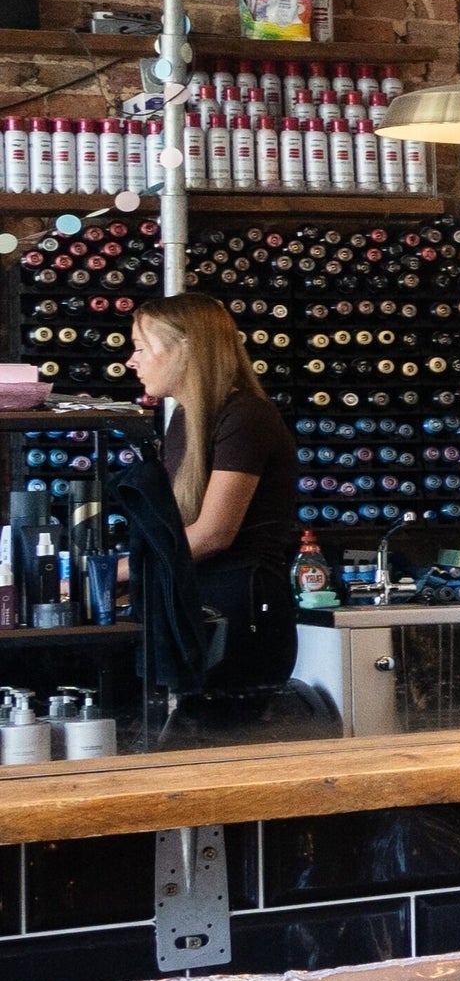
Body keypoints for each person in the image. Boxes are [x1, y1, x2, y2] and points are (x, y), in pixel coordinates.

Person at [128, 293, 302, 689]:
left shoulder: (246, 416)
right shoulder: (183, 420)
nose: (131, 361)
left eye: (140, 347)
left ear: (185, 347)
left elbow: (212, 534)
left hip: (242, 615)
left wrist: (114, 574)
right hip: (197, 607)